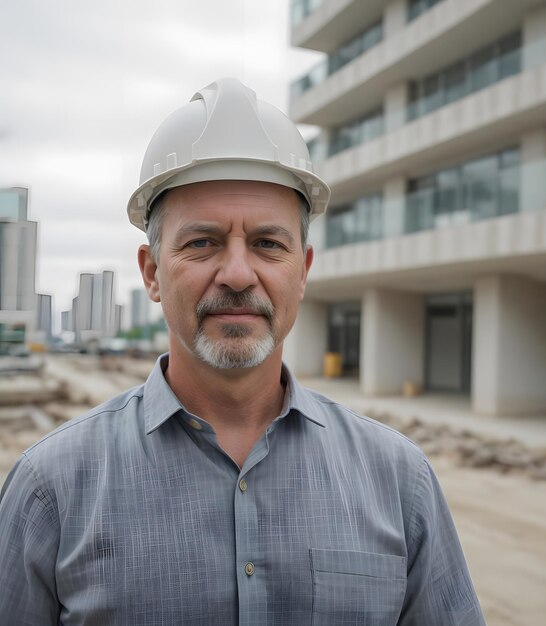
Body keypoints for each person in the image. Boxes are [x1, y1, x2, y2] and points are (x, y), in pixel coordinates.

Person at [0, 78, 485, 625]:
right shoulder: (50, 488)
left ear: (301, 272)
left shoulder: (400, 480)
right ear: (153, 272)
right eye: (202, 241)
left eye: (267, 244)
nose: (236, 274)